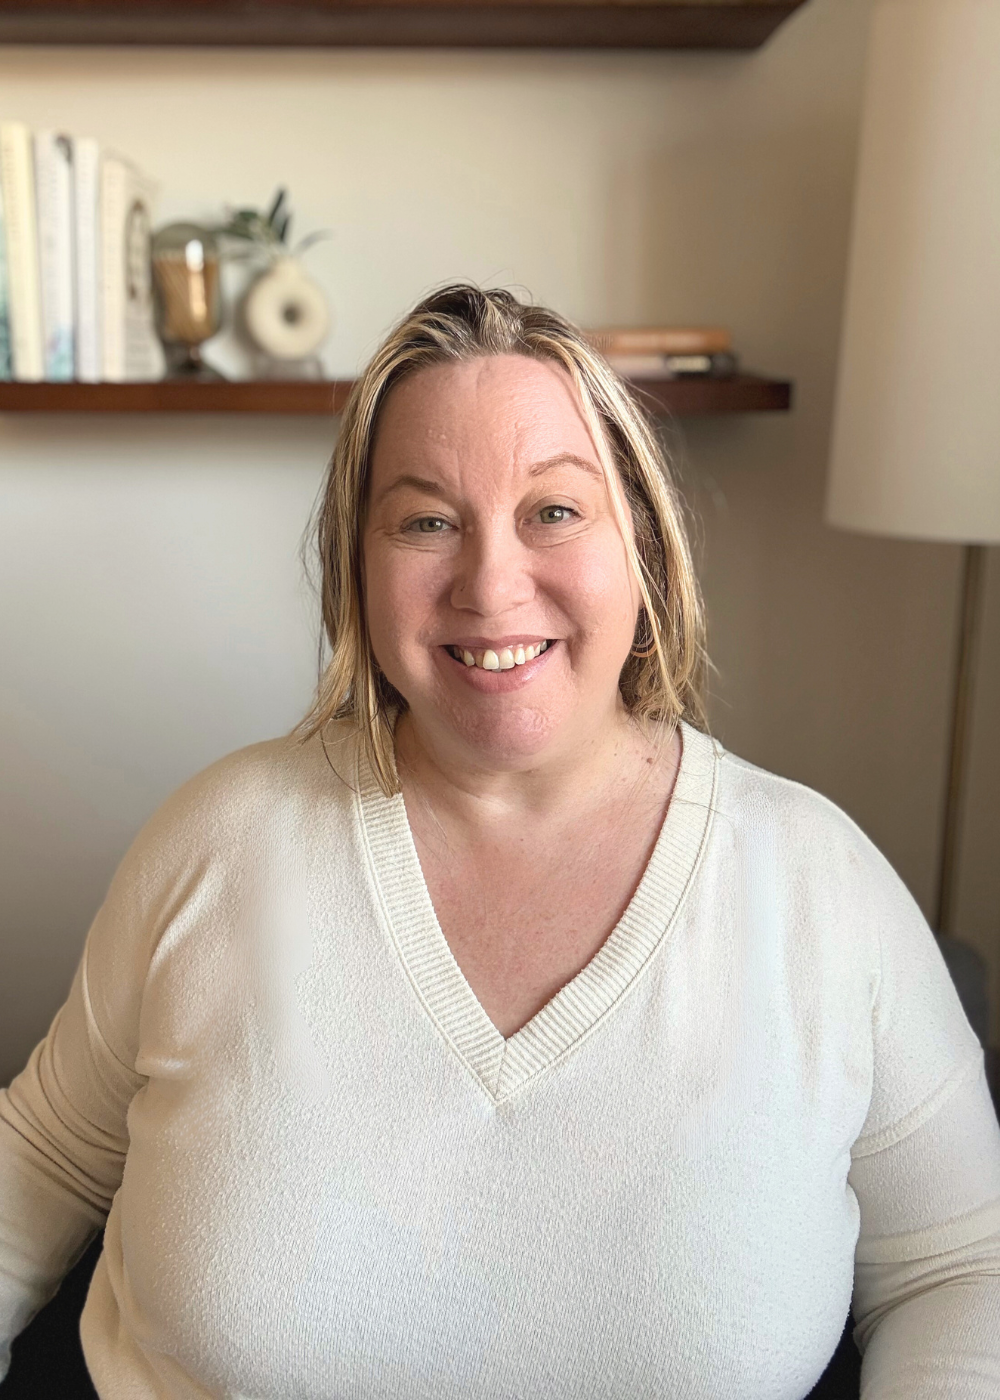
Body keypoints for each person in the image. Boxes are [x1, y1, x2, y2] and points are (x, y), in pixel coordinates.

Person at [1, 284, 998, 1399]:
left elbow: (959, 1265)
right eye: (426, 519)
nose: (489, 583)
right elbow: (32, 1165)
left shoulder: (819, 885)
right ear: (357, 566)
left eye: (553, 510)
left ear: (644, 547)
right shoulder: (217, 843)